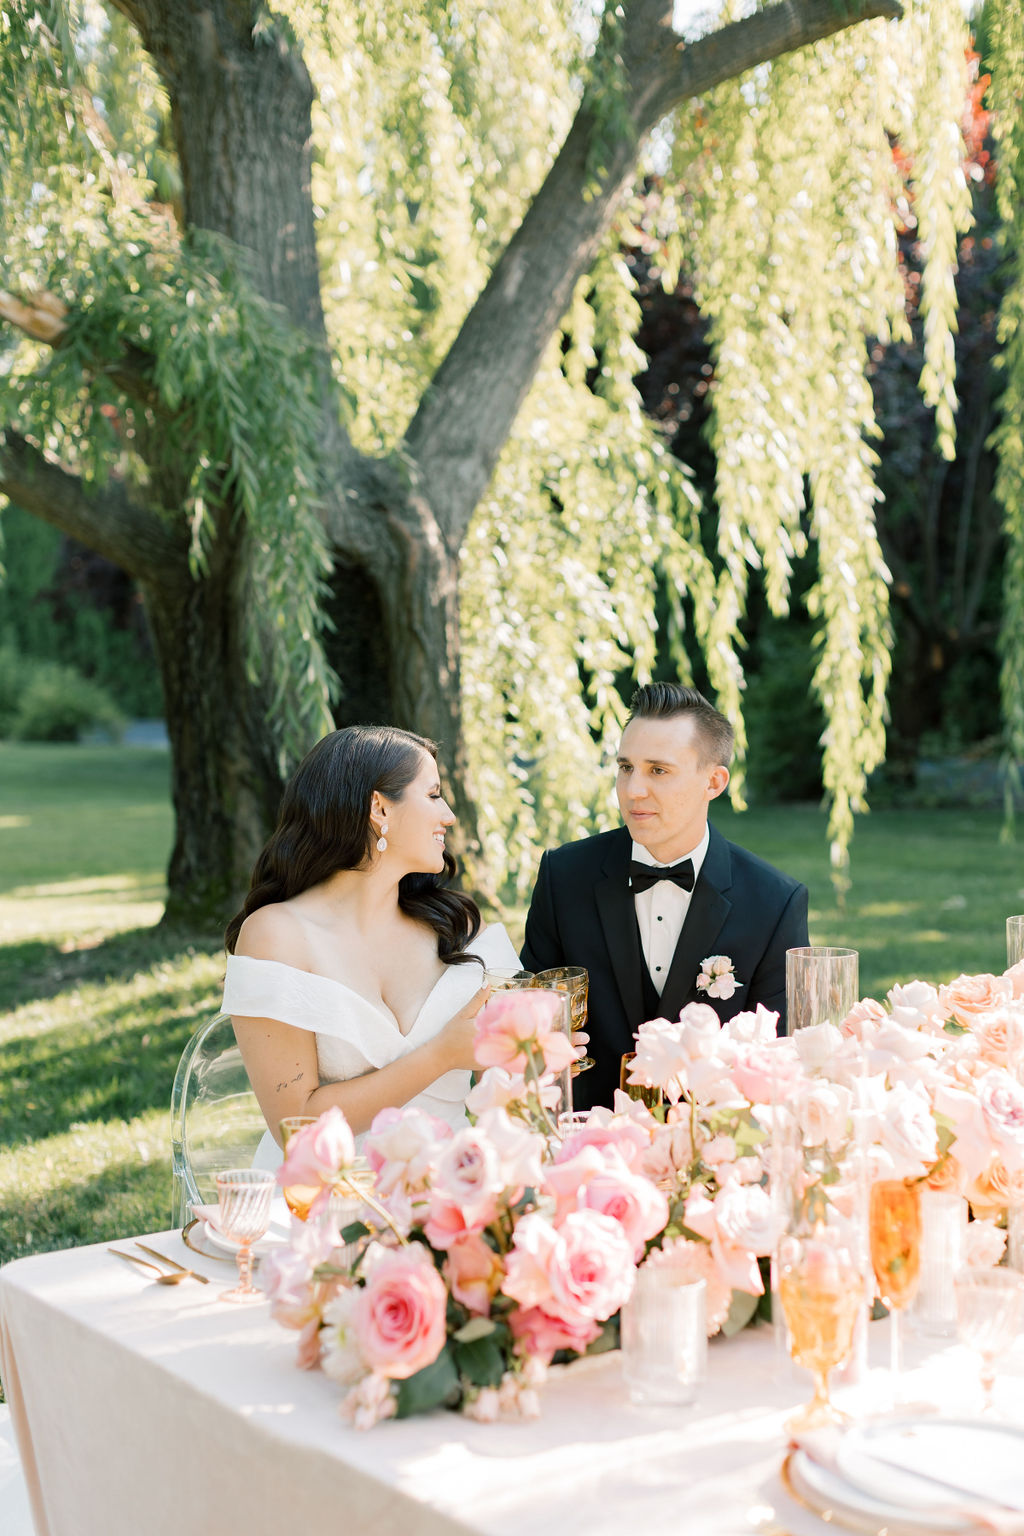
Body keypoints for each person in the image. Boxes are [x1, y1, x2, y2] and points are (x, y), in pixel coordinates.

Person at [222, 724, 520, 1150]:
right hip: (326, 1197)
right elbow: (297, 1128)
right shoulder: (277, 935)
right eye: (434, 795)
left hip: (454, 1192)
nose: (449, 815)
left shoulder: (457, 928)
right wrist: (442, 1055)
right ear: (379, 808)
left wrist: (535, 1054)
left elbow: (506, 1089)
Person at [521, 682, 810, 1111]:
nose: (633, 789)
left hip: (712, 1152)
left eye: (658, 770)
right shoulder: (563, 877)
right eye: (625, 767)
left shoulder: (774, 902)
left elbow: (781, 1058)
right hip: (585, 1146)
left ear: (713, 781)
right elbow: (525, 1026)